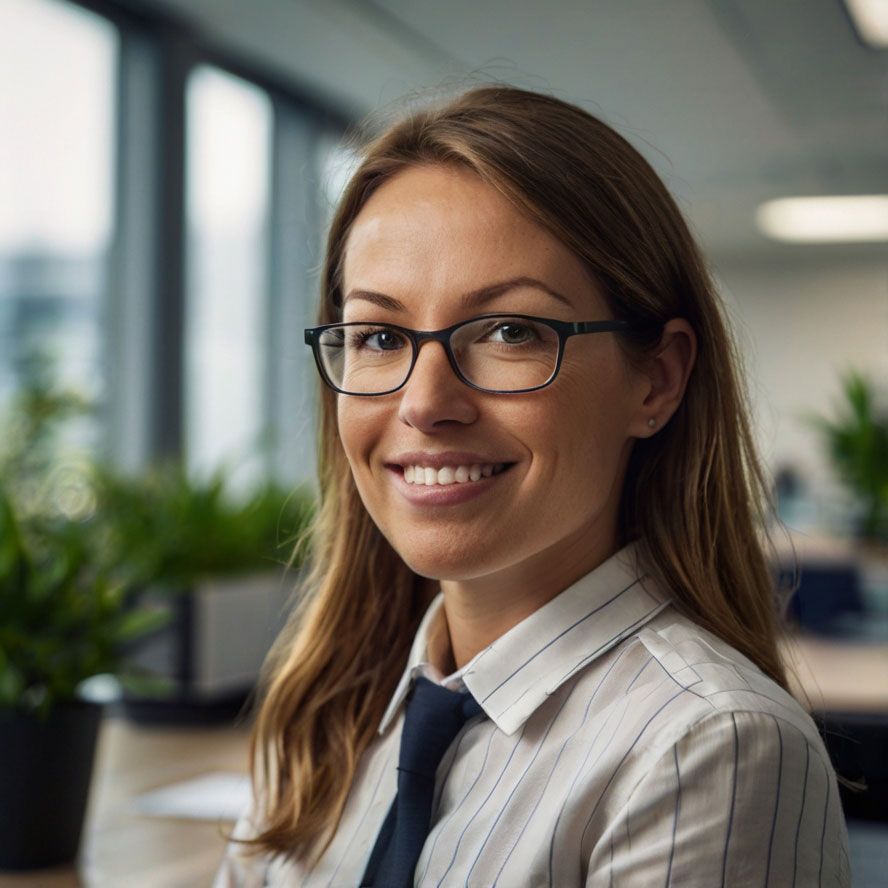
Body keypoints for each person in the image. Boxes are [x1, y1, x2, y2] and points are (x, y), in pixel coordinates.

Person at [213, 85, 850, 887]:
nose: (424, 404)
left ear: (656, 379)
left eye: (511, 332)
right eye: (379, 335)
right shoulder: (325, 716)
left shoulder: (708, 751)